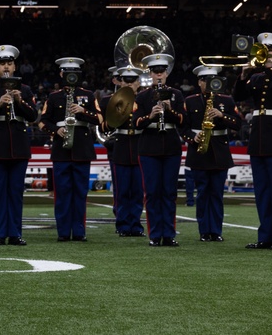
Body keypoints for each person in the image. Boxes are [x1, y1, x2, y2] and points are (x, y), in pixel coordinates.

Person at [233, 31, 272, 251]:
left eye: (270, 50)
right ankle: (265, 236)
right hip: (258, 135)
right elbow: (239, 96)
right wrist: (242, 76)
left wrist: (270, 69)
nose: (266, 53)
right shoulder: (257, 76)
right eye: (264, 50)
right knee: (261, 191)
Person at [0, 44, 38, 247]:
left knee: (15, 193)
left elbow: (33, 115)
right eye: (2, 64)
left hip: (18, 146)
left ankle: (15, 234)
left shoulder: (25, 90)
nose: (6, 68)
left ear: (15, 66)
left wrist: (20, 102)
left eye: (9, 63)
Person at [39, 57, 102, 242]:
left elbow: (100, 119)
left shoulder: (88, 95)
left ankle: (79, 231)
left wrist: (83, 111)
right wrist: (55, 130)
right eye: (66, 73)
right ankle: (63, 232)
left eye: (73, 73)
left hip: (81, 148)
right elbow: (42, 121)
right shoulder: (53, 96)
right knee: (63, 193)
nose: (70, 76)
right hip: (61, 149)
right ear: (61, 74)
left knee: (80, 193)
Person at [182, 65, 241, 242]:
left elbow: (238, 124)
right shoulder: (190, 101)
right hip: (199, 150)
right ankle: (203, 231)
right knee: (202, 193)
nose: (208, 84)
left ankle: (215, 231)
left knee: (216, 193)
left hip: (219, 151)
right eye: (204, 81)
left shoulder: (227, 100)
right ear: (199, 82)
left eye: (211, 81)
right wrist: (193, 137)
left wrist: (222, 115)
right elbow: (182, 128)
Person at [133, 53, 186, 247]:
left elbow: (184, 120)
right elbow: (136, 123)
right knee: (153, 192)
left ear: (167, 73)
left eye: (162, 71)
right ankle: (155, 234)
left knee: (169, 192)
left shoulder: (176, 94)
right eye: (155, 72)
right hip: (148, 147)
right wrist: (151, 115)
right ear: (150, 74)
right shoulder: (143, 95)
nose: (159, 75)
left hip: (171, 145)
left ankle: (169, 234)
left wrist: (169, 110)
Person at [103, 65, 145, 237]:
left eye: (132, 80)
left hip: (139, 145)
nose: (129, 83)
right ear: (119, 82)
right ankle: (122, 225)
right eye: (125, 80)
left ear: (138, 82)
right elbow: (104, 127)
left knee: (137, 191)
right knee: (121, 191)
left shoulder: (144, 99)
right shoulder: (109, 100)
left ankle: (135, 225)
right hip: (120, 146)